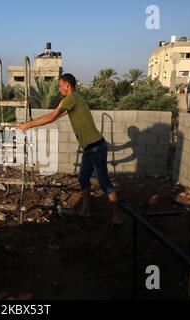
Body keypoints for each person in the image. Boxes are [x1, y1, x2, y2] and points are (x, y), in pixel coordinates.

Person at [17, 73, 124, 224]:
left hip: (96, 147)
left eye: (60, 85)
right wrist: (32, 121)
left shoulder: (71, 98)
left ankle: (117, 216)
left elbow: (52, 117)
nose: (59, 88)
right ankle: (86, 210)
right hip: (89, 148)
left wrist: (27, 126)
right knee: (83, 179)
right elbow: (55, 114)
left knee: (104, 183)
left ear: (67, 85)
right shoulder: (73, 99)